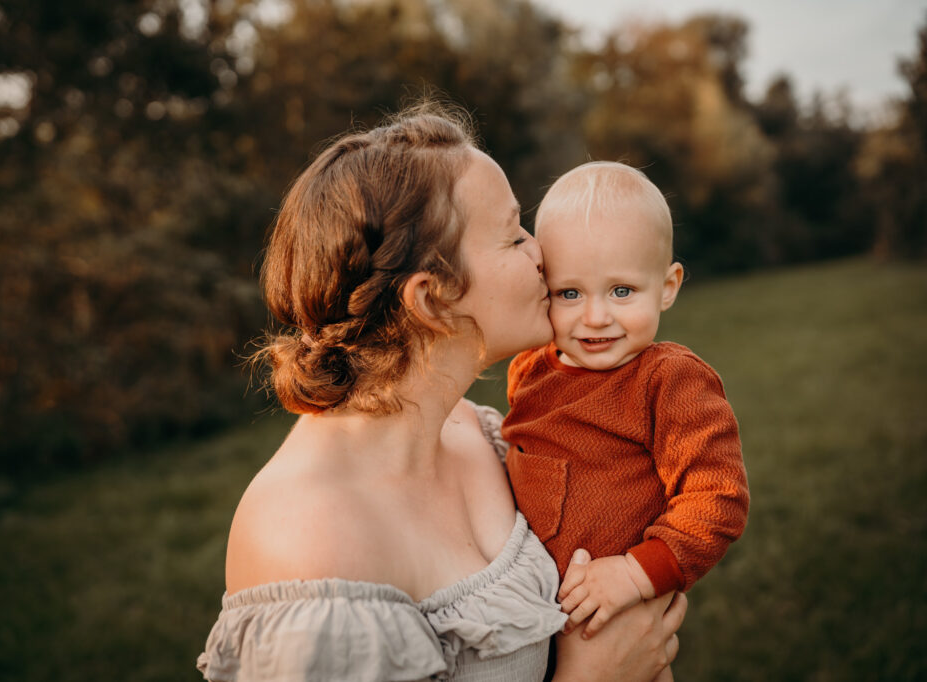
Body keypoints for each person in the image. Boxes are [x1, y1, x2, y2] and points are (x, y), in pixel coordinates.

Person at [196, 109, 686, 681]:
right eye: (513, 235)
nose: (542, 256)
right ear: (431, 300)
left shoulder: (477, 432)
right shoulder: (311, 543)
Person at [501, 162, 749, 677]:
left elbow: (717, 499)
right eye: (570, 293)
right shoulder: (529, 371)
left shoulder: (669, 381)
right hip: (531, 635)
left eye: (621, 291)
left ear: (668, 286)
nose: (595, 317)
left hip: (618, 633)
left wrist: (636, 574)